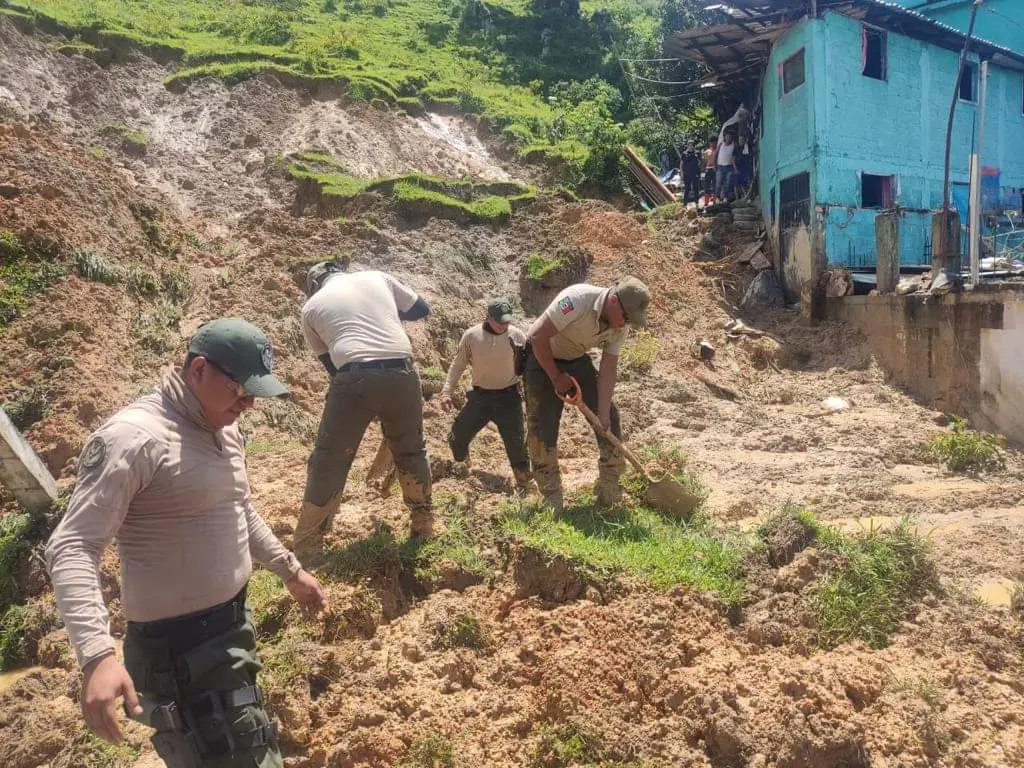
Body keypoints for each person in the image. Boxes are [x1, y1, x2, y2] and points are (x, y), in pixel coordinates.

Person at [45, 318, 327, 767]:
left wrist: (289, 570)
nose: (249, 404)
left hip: (232, 625)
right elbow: (72, 546)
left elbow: (237, 509)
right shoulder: (135, 439)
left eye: (255, 394)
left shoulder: (223, 427)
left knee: (248, 744)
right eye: (240, 390)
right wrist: (97, 656)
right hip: (177, 651)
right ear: (198, 371)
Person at [295, 261, 433, 559]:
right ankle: (423, 526)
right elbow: (422, 309)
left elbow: (334, 368)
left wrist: (363, 399)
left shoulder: (311, 308)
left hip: (354, 376)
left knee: (329, 458)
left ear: (315, 286)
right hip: (403, 373)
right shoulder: (378, 276)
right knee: (411, 451)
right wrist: (383, 312)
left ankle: (309, 543)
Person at [524, 277, 651, 512]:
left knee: (610, 417)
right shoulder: (577, 299)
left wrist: (601, 413)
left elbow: (608, 368)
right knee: (542, 426)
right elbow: (538, 336)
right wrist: (555, 377)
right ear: (613, 301)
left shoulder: (620, 325)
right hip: (541, 357)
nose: (624, 324)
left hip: (575, 358)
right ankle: (550, 494)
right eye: (625, 318)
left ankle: (609, 486)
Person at [440, 298, 534, 493]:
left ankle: (524, 484)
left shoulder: (517, 336)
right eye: (500, 321)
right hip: (480, 398)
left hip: (509, 398)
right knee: (457, 437)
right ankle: (464, 467)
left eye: (507, 321)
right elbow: (458, 365)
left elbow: (530, 368)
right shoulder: (472, 336)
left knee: (516, 446)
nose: (504, 325)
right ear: (488, 316)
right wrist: (446, 391)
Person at [716, 132, 738, 201]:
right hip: (720, 166)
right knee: (718, 182)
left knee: (728, 183)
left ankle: (725, 197)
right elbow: (715, 154)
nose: (728, 138)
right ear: (725, 137)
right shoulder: (721, 144)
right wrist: (714, 165)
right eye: (727, 136)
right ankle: (717, 197)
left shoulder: (734, 145)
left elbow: (735, 155)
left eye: (730, 137)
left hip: (729, 167)